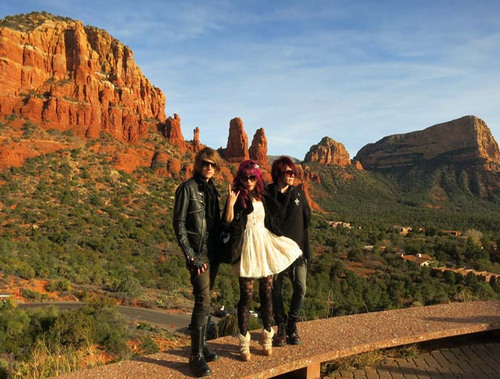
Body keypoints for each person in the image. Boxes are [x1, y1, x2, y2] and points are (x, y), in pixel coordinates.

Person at [224, 160, 302, 362]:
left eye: (252, 177)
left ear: (257, 178)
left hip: (264, 244)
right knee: (246, 297)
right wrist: (230, 203)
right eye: (245, 177)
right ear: (240, 178)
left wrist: (287, 184)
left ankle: (267, 337)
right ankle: (244, 344)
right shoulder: (237, 196)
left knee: (266, 294)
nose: (249, 181)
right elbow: (228, 221)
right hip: (247, 246)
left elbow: (279, 209)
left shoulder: (263, 195)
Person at [173, 147, 222, 377]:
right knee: (202, 300)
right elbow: (179, 224)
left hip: (213, 254)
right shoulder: (187, 188)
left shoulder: (212, 191)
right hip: (199, 255)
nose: (208, 168)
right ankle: (195, 356)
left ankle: (202, 346)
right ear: (197, 163)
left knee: (206, 300)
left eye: (212, 164)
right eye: (205, 163)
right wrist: (191, 257)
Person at [268, 156, 311, 346]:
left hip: (297, 252)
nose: (292, 175)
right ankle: (282, 326)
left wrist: (300, 243)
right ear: (278, 173)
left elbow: (307, 218)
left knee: (300, 288)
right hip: (276, 251)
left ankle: (293, 323)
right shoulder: (268, 194)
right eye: (288, 172)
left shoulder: (298, 195)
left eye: (293, 172)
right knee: (275, 289)